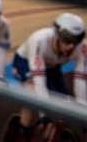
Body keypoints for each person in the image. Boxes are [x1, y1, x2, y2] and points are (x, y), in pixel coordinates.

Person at [12, 13, 86, 142]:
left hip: (52, 68)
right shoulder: (39, 40)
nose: (71, 47)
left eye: (76, 40)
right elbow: (39, 83)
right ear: (56, 35)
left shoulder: (82, 47)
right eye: (67, 41)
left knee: (63, 105)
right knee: (34, 93)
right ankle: (24, 133)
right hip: (25, 63)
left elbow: (80, 81)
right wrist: (43, 114)